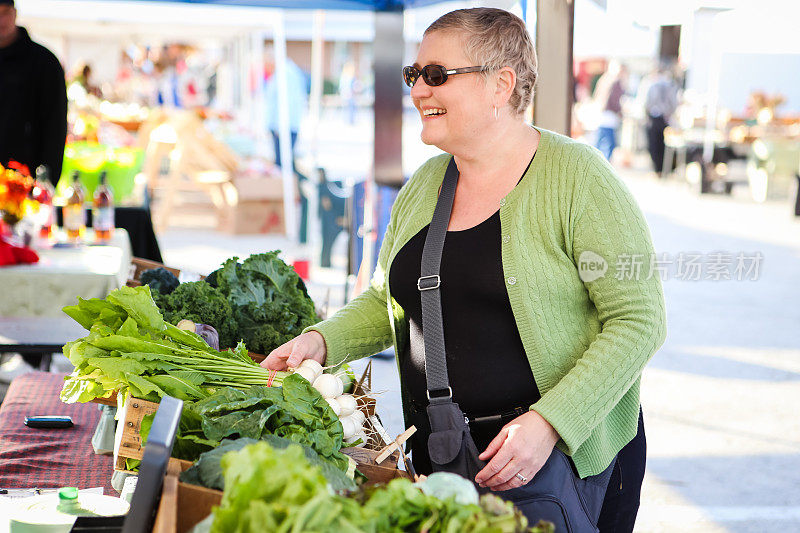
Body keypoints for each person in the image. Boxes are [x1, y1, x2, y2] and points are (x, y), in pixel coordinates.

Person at [264, 8, 666, 532]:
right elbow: (391, 298)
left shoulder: (578, 178)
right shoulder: (425, 182)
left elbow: (639, 321)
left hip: (557, 464)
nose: (419, 92)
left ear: (501, 85)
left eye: (437, 75)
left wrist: (550, 424)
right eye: (415, 76)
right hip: (446, 459)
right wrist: (321, 342)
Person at [0, 0, 67, 187]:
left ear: (14, 13)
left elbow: (56, 125)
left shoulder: (44, 63)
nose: (1, 20)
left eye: (5, 12)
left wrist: (46, 181)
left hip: (26, 182)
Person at [264, 52, 308, 170]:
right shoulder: (285, 72)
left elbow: (285, 102)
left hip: (284, 126)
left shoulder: (285, 74)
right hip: (284, 125)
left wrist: (279, 125)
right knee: (284, 163)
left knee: (283, 164)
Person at [642, 64, 678, 175]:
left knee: (654, 145)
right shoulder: (670, 85)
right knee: (663, 145)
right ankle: (664, 169)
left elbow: (647, 102)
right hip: (665, 118)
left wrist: (646, 115)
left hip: (654, 117)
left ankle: (657, 169)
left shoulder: (651, 85)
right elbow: (674, 103)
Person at [593, 61, 628, 161]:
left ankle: (596, 163)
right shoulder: (616, 81)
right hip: (610, 116)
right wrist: (620, 111)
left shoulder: (604, 79)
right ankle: (603, 165)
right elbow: (614, 100)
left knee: (599, 142)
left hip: (601, 114)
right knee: (610, 144)